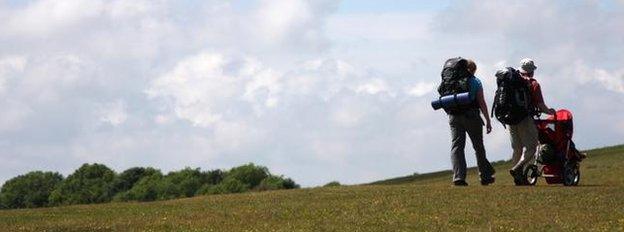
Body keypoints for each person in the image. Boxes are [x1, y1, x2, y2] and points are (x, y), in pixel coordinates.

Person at [448, 59, 495, 186]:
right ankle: (485, 176)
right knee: (478, 146)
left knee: (457, 146)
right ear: (473, 69)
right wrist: (488, 120)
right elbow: (481, 102)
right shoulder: (475, 81)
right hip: (471, 116)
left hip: (453, 116)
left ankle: (458, 177)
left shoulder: (452, 81)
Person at [508, 58, 556, 184]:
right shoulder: (533, 84)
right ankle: (517, 168)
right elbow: (540, 105)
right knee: (532, 148)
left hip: (510, 117)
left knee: (517, 148)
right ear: (531, 71)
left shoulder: (511, 80)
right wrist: (550, 112)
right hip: (524, 118)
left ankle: (517, 179)